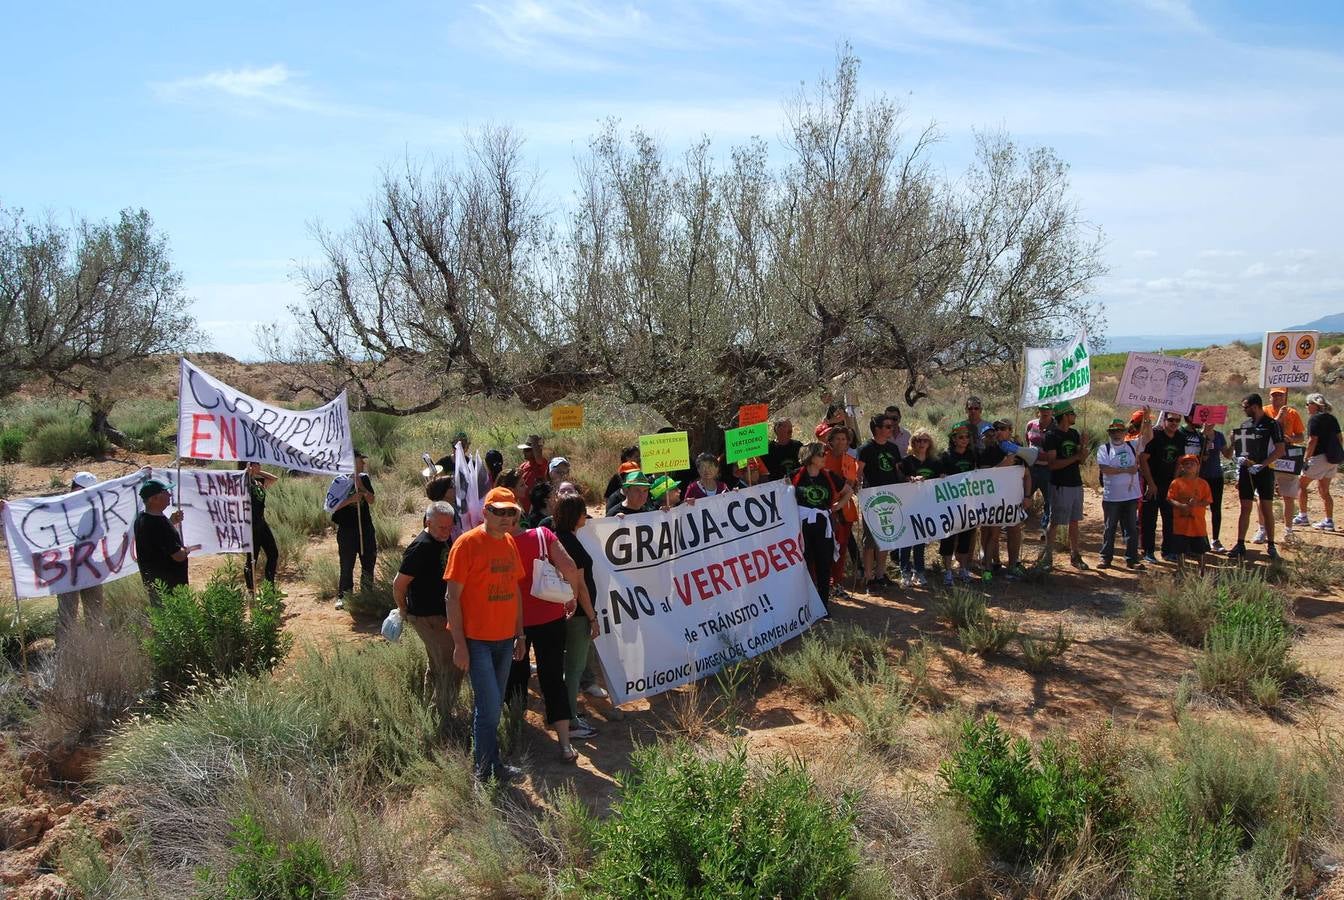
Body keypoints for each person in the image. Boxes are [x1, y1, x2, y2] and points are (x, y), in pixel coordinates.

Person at [444, 487, 528, 782]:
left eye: (511, 512)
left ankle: (491, 763)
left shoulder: (508, 543)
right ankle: (484, 770)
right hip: (477, 640)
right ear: (486, 512)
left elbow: (515, 589)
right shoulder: (467, 544)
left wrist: (520, 634)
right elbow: (451, 598)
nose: (507, 518)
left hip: (506, 639)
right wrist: (459, 644)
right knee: (489, 705)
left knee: (493, 703)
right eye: (500, 511)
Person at [508, 513, 595, 762]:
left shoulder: (499, 543)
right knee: (553, 677)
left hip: (514, 620)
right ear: (520, 518)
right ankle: (566, 745)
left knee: (516, 676)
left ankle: (516, 733)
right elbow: (568, 567)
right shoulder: (542, 535)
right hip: (550, 616)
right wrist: (570, 596)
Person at [394, 502, 462, 734]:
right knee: (453, 663)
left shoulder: (443, 541)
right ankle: (441, 717)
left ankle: (429, 712)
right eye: (441, 527)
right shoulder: (420, 547)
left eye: (449, 528)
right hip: (427, 616)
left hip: (441, 613)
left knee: (438, 663)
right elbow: (398, 584)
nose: (445, 532)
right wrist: (404, 611)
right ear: (427, 522)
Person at [551, 494, 606, 736]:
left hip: (566, 612)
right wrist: (592, 617)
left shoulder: (559, 539)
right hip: (579, 614)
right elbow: (581, 585)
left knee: (570, 667)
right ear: (575, 515)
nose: (587, 515)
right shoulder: (570, 543)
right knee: (575, 667)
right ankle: (571, 721)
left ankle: (570, 712)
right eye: (584, 511)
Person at [1228, 393, 1286, 562]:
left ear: (1255, 406)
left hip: (1265, 471)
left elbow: (1280, 449)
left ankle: (1271, 545)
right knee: (1245, 507)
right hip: (1247, 471)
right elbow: (1240, 449)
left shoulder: (1272, 425)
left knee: (1266, 508)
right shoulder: (1245, 424)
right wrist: (1239, 458)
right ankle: (1240, 544)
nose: (1244, 410)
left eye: (1245, 407)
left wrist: (1263, 464)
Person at [792, 442, 848, 604]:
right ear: (810, 457)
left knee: (824, 564)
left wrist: (838, 506)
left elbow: (848, 491)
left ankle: (823, 604)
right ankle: (807, 602)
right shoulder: (795, 476)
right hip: (802, 526)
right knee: (805, 563)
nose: (825, 457)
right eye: (821, 454)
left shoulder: (829, 475)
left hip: (823, 526)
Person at [856, 414, 906, 590]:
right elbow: (858, 473)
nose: (891, 429)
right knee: (870, 541)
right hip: (872, 499)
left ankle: (880, 575)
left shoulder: (893, 448)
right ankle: (868, 577)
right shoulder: (865, 449)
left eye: (892, 426)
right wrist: (856, 490)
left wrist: (910, 481)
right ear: (877, 429)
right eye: (887, 426)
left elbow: (899, 471)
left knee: (886, 536)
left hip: (891, 498)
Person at [55, 472, 105, 641]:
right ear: (73, 487)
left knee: (95, 613)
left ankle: (96, 651)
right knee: (67, 616)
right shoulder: (56, 508)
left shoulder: (95, 512)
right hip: (67, 571)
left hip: (90, 569)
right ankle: (64, 654)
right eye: (81, 490)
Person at [135, 478, 201, 604]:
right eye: (165, 492)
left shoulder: (142, 518)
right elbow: (178, 556)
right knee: (177, 621)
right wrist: (189, 549)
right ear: (154, 499)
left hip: (156, 585)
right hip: (171, 587)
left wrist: (171, 523)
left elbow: (156, 539)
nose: (169, 494)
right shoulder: (159, 524)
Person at [1041, 401, 1088, 570]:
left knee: (1074, 521)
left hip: (1076, 483)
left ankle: (1075, 555)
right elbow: (1052, 464)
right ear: (1065, 416)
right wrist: (1075, 457)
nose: (1075, 416)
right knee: (1054, 521)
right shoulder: (1052, 436)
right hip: (1060, 485)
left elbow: (1081, 460)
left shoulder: (1074, 434)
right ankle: (1048, 556)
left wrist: (1083, 446)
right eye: (1072, 414)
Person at [329, 450, 375, 611]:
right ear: (352, 461)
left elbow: (371, 500)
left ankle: (368, 594)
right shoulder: (339, 482)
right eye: (360, 460)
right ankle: (344, 596)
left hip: (365, 527)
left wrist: (361, 487)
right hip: (347, 530)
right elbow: (331, 507)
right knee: (347, 564)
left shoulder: (364, 479)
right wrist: (350, 499)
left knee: (369, 561)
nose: (363, 463)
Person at [1096, 418, 1143, 570]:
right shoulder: (1105, 449)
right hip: (1112, 497)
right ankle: (1105, 558)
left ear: (1125, 433)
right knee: (1110, 528)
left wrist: (1147, 419)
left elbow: (1148, 437)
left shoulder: (1132, 445)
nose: (1116, 434)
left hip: (1130, 496)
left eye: (1119, 431)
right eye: (1113, 431)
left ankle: (1132, 559)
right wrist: (1127, 470)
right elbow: (1105, 469)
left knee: (1131, 528)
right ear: (1109, 433)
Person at [1138, 412, 1186, 564]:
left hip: (1169, 484)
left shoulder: (1180, 437)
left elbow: (1179, 460)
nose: (1174, 423)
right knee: (1149, 519)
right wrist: (1150, 483)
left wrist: (1175, 481)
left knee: (1169, 518)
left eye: (1177, 420)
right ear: (1164, 420)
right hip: (1152, 483)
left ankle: (1168, 551)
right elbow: (1143, 460)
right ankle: (1148, 551)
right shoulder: (1155, 435)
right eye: (1171, 420)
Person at [1259, 388, 1305, 541]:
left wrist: (1291, 439)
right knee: (1263, 495)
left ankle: (1288, 530)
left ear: (1285, 396)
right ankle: (1262, 529)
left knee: (1288, 496)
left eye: (1280, 395)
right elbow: (1261, 432)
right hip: (1269, 456)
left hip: (1287, 459)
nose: (1277, 397)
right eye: (1274, 395)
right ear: (1269, 396)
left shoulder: (1292, 413)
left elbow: (1300, 436)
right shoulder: (1264, 411)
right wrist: (1278, 418)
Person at [938, 422, 979, 584]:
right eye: (960, 437)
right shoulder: (945, 456)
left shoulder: (972, 455)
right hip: (949, 504)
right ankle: (947, 571)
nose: (964, 439)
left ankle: (962, 568)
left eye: (967, 437)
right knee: (948, 537)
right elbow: (940, 477)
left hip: (967, 503)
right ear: (954, 439)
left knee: (965, 537)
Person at [822, 425, 860, 592]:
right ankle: (823, 583)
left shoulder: (851, 462)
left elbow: (850, 485)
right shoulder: (821, 457)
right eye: (837, 438)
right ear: (830, 441)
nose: (840, 442)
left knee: (841, 547)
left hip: (843, 509)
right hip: (822, 508)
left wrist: (838, 505)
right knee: (824, 547)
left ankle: (837, 582)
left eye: (844, 439)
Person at [899, 430, 939, 586]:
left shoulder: (934, 462)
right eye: (918, 440)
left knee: (920, 540)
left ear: (929, 444)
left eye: (925, 440)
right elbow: (900, 479)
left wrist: (941, 477)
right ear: (913, 443)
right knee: (906, 540)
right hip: (908, 505)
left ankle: (919, 572)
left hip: (925, 506)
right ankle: (905, 572)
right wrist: (909, 479)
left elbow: (940, 481)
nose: (921, 443)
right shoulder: (906, 462)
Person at [1299, 392, 1342, 531]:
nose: (1306, 407)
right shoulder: (1332, 418)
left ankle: (1302, 516)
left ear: (1313, 405)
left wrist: (1306, 458)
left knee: (1300, 484)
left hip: (1319, 458)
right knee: (1324, 490)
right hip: (1333, 459)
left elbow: (1312, 441)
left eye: (1307, 404)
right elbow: (1340, 438)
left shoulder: (1314, 419)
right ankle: (1329, 521)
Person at [1167, 454, 1213, 576]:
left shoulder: (1203, 484)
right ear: (1181, 467)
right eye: (1186, 464)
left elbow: (1208, 500)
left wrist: (1197, 503)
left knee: (1200, 549)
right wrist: (1181, 506)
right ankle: (1181, 569)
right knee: (1179, 549)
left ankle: (1202, 570)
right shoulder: (1176, 483)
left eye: (1192, 464)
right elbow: (1170, 499)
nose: (1189, 466)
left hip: (1197, 524)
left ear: (1198, 467)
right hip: (1181, 524)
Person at [240, 462, 279, 592]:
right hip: (250, 526)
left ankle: (269, 586)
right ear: (249, 465)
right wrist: (247, 472)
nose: (260, 465)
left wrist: (257, 472)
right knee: (252, 560)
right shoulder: (244, 483)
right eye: (257, 464)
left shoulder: (258, 482)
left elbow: (274, 479)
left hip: (262, 523)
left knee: (273, 553)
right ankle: (251, 590)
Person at [1199, 419, 1232, 551]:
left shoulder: (1219, 436)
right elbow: (1203, 457)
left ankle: (1216, 540)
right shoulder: (1199, 436)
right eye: (1206, 420)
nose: (1210, 423)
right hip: (1201, 477)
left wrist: (1234, 443)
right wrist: (1205, 439)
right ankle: (1200, 538)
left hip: (1216, 476)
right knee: (1199, 509)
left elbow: (1228, 455)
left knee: (1216, 509)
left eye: (1212, 420)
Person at [1025, 404, 1055, 537]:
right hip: (1031, 468)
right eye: (1042, 409)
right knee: (1024, 496)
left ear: (1052, 411)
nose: (1045, 412)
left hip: (1048, 469)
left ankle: (1045, 530)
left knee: (1049, 501)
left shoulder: (1056, 427)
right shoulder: (1031, 424)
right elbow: (1028, 441)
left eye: (1048, 409)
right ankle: (1017, 524)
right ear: (1039, 411)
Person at [515, 435, 548, 514]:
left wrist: (534, 443)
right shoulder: (523, 465)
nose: (524, 452)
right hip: (524, 509)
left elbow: (539, 459)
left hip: (537, 509)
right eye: (524, 450)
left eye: (527, 450)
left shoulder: (542, 464)